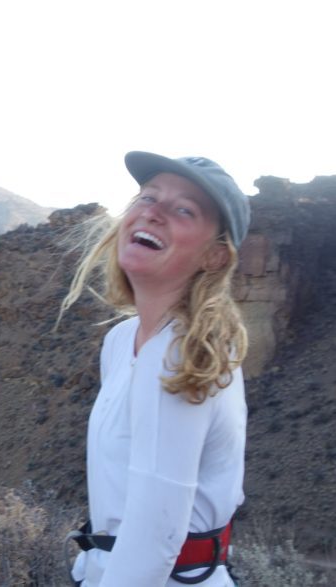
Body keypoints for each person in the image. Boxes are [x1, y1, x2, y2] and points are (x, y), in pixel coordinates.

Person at [61, 152, 251, 586]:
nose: (153, 212)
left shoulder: (185, 355)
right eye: (148, 197)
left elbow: (154, 539)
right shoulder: (121, 340)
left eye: (184, 210)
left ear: (215, 257)